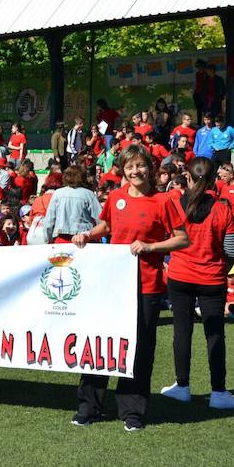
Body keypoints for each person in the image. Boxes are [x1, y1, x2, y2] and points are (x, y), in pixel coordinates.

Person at [71, 145, 188, 431]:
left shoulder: (164, 200)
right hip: (111, 285)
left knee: (140, 348)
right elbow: (106, 226)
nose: (136, 172)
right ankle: (89, 406)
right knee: (100, 343)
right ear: (122, 170)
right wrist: (86, 234)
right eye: (130, 167)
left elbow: (182, 239)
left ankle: (132, 410)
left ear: (150, 167)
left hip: (146, 286)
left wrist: (151, 246)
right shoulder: (115, 197)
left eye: (140, 166)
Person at [160, 157, 234, 409]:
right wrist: (221, 268)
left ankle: (182, 385)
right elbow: (231, 250)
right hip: (211, 278)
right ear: (212, 179)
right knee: (215, 334)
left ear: (188, 177)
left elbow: (166, 237)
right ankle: (218, 392)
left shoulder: (176, 203)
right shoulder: (221, 209)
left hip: (180, 275)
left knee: (182, 331)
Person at [41, 165, 100, 244]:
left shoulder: (57, 194)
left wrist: (48, 241)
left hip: (62, 240)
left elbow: (48, 222)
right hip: (84, 240)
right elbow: (101, 219)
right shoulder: (89, 195)